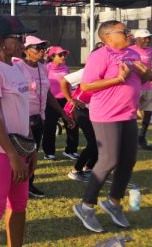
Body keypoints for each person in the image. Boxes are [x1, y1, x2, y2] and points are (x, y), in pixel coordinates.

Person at [72, 20, 151, 233]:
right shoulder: (100, 56)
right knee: (109, 160)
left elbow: (143, 80)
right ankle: (86, 206)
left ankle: (113, 202)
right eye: (123, 31)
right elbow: (86, 85)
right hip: (106, 115)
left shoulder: (132, 54)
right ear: (107, 37)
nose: (128, 33)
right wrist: (118, 78)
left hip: (128, 114)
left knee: (128, 160)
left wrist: (145, 74)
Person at [0, 17, 37, 247]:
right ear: (1, 42)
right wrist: (12, 155)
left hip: (20, 147)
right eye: (18, 38)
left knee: (20, 205)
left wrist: (31, 148)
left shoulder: (16, 67)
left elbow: (22, 112)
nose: (24, 42)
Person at [14, 36, 73, 198]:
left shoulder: (43, 68)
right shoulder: (17, 67)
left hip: (39, 118)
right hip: (22, 119)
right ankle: (17, 187)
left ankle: (29, 184)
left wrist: (63, 114)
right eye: (37, 48)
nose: (41, 51)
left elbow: (47, 92)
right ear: (25, 51)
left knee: (33, 153)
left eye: (43, 48)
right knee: (21, 155)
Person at [59, 68, 98, 182]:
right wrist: (71, 99)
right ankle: (75, 170)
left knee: (102, 142)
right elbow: (63, 81)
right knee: (94, 142)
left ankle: (89, 168)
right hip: (82, 109)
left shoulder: (110, 70)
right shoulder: (87, 70)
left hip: (97, 110)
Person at [42, 46, 76, 160]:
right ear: (52, 56)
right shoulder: (45, 68)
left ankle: (70, 150)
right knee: (50, 127)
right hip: (51, 101)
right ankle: (49, 152)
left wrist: (71, 98)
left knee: (72, 125)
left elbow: (69, 85)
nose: (63, 57)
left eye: (64, 54)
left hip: (66, 100)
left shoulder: (66, 68)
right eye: (60, 55)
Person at [129, 29, 152, 149]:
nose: (147, 40)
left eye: (148, 37)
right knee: (130, 113)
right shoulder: (130, 50)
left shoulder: (150, 51)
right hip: (134, 86)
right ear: (137, 39)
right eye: (144, 38)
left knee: (148, 113)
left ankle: (141, 138)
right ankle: (130, 139)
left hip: (148, 86)